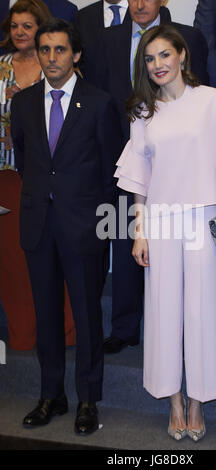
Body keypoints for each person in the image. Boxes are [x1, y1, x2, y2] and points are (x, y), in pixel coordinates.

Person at [115, 23, 216, 441]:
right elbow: (139, 178)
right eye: (149, 58)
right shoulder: (142, 111)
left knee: (204, 311)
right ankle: (174, 401)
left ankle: (198, 401)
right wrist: (139, 232)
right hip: (160, 221)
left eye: (164, 55)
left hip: (206, 217)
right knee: (163, 310)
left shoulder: (210, 100)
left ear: (182, 56)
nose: (157, 64)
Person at [10, 18, 123, 435]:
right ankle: (51, 395)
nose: (51, 58)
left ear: (76, 54)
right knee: (46, 314)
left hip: (85, 227)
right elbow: (26, 161)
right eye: (45, 50)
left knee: (88, 316)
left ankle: (88, 399)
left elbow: (114, 171)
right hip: (39, 224)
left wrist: (104, 224)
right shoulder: (22, 104)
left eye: (60, 50)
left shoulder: (100, 103)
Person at [83, 0, 209, 355]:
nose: (139, 4)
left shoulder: (189, 38)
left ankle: (180, 327)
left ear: (163, 1)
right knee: (128, 243)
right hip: (125, 162)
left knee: (177, 249)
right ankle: (125, 327)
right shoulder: (106, 40)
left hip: (179, 165)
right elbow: (94, 99)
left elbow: (200, 95)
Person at [0, 0, 54, 350]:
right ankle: (21, 334)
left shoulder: (55, 66)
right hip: (4, 175)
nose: (20, 32)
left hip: (43, 177)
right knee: (12, 262)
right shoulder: (0, 67)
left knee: (47, 256)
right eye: (15, 25)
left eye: (27, 26)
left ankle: (60, 332)